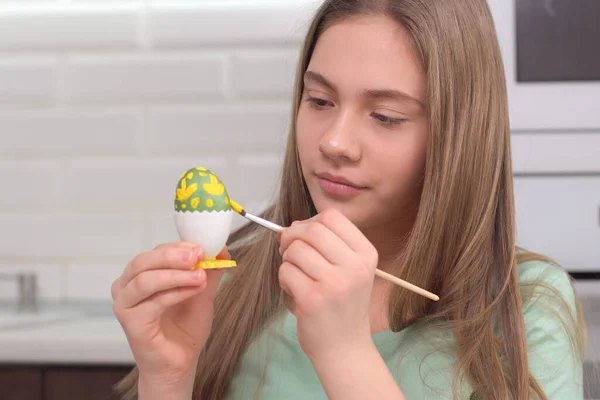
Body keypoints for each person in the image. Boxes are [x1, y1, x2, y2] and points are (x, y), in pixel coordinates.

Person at [111, 0, 587, 399]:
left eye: (384, 116)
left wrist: (344, 354)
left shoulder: (524, 310)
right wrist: (168, 378)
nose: (334, 142)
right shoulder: (234, 290)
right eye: (319, 101)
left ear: (456, 135)